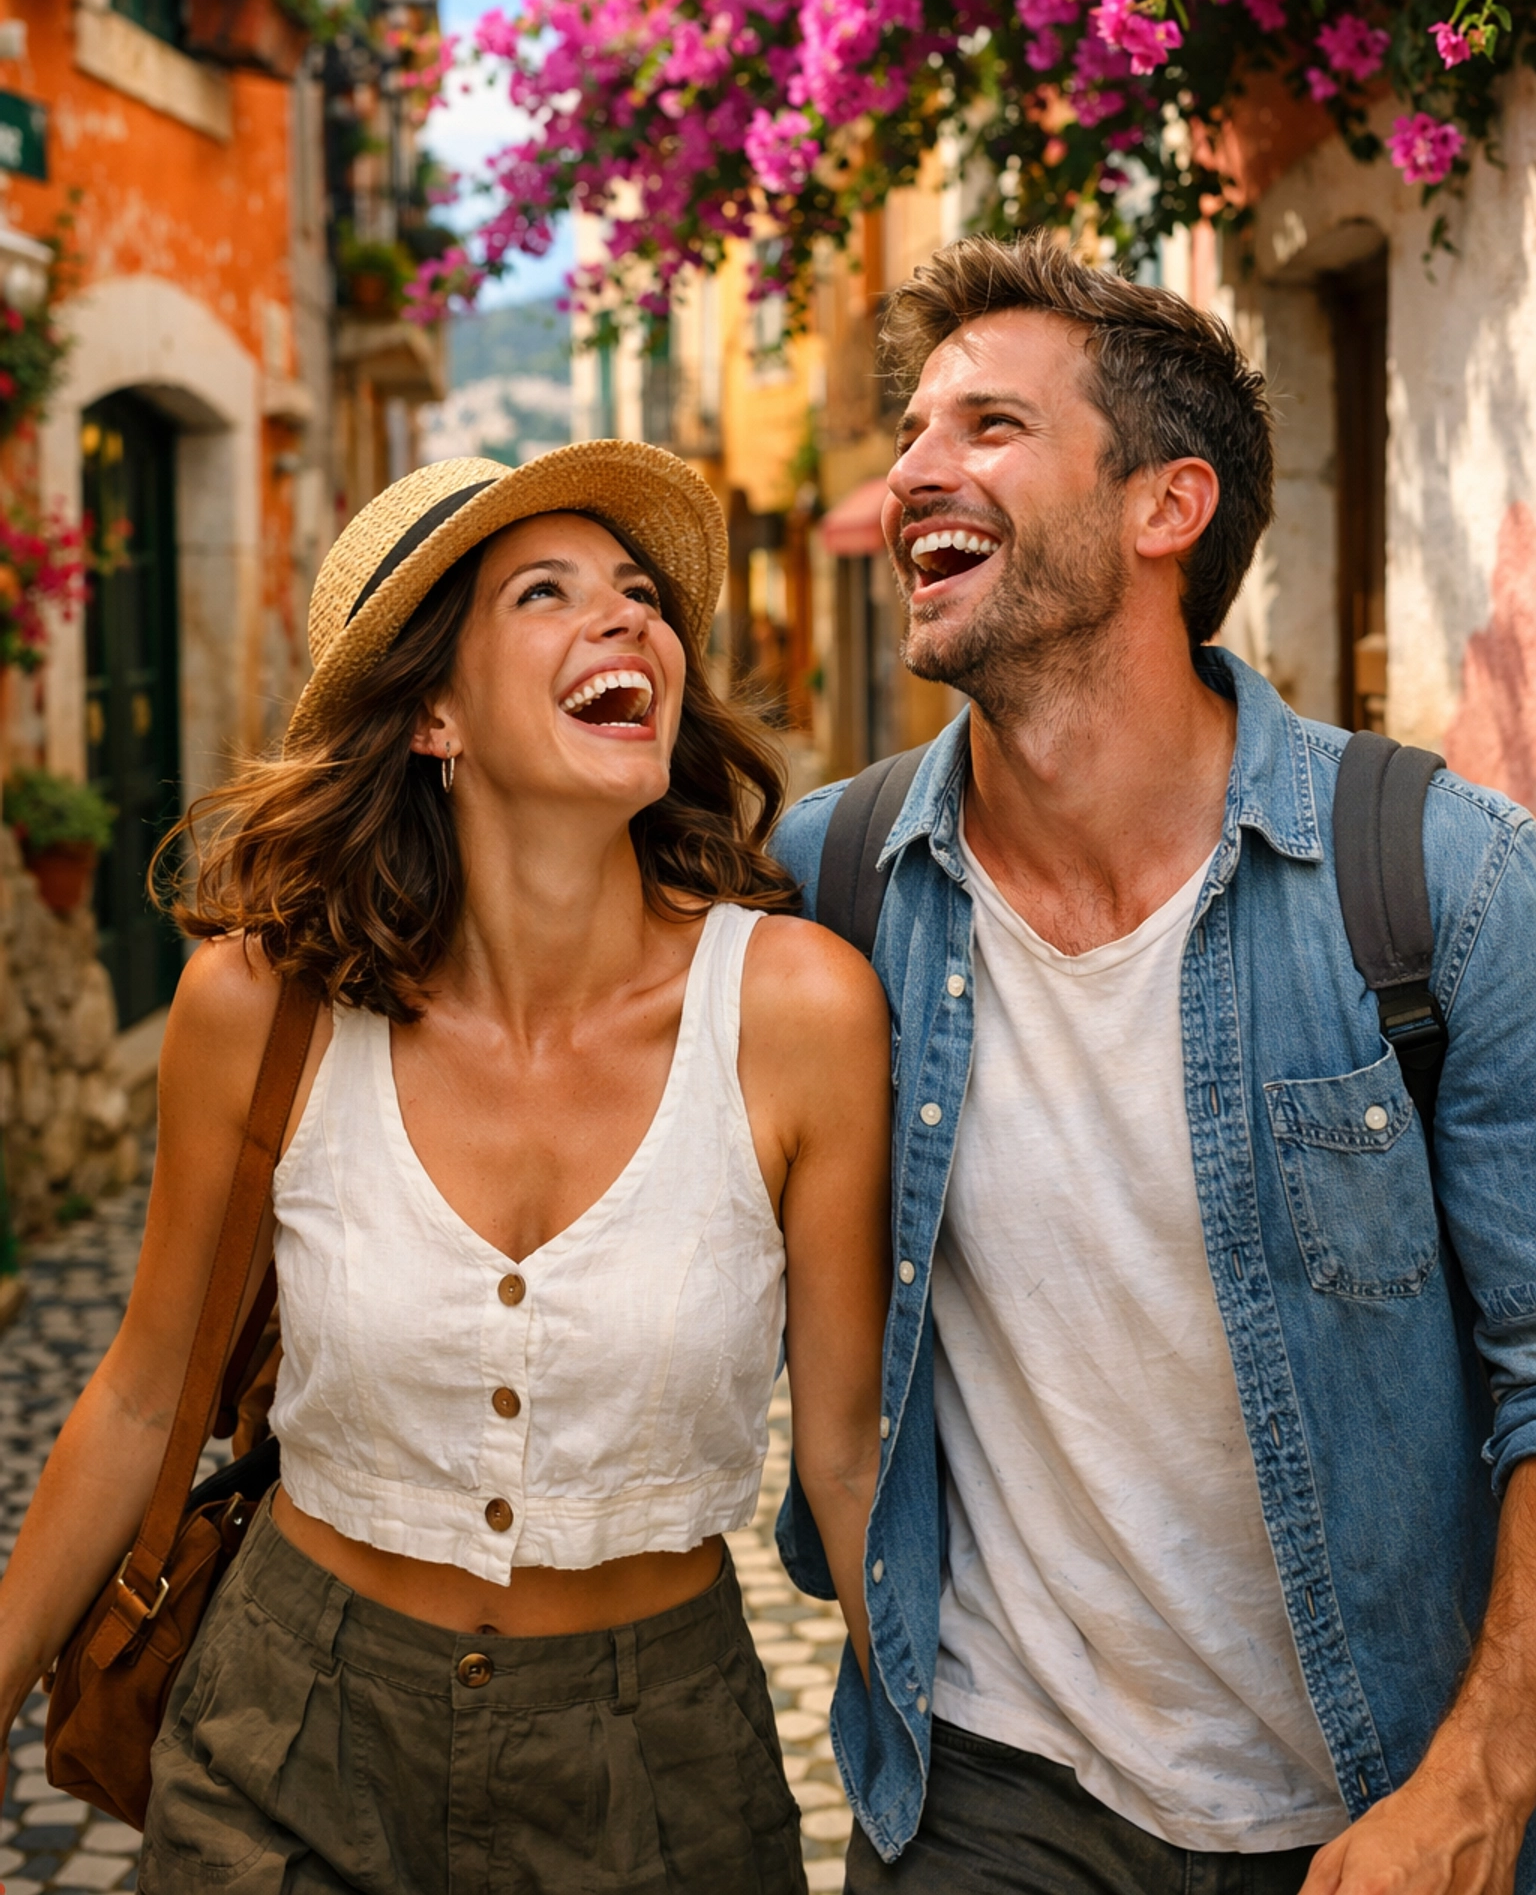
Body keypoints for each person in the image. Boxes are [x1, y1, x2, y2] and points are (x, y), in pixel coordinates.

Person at [0, 444, 892, 1894]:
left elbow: (846, 1457)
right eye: (547, 592)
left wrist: (943, 1787)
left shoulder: (799, 1013)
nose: (629, 623)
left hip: (658, 1769)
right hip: (289, 1736)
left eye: (640, 595)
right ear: (432, 712)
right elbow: (145, 1386)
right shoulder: (260, 1008)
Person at [773, 233, 1536, 1895]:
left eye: (985, 426)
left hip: (1371, 1805)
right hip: (987, 1786)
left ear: (1164, 509)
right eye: (911, 432)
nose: (912, 473)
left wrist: (1481, 1779)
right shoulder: (828, 892)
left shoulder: (1442, 886)